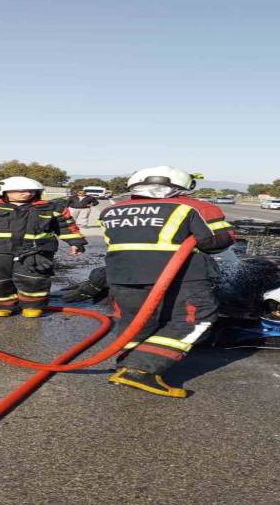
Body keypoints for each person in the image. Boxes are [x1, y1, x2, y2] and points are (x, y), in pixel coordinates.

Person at [101, 166, 235, 398]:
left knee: (136, 322)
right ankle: (139, 370)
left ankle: (127, 363)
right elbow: (217, 240)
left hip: (122, 276)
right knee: (196, 319)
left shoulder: (112, 210)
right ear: (181, 186)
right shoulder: (193, 206)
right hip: (180, 276)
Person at [0, 176, 87, 318]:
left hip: (36, 252)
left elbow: (66, 226)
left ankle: (32, 306)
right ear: (4, 191)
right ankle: (2, 306)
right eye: (20, 191)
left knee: (34, 279)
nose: (27, 193)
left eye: (31, 191)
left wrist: (76, 242)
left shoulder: (52, 208)